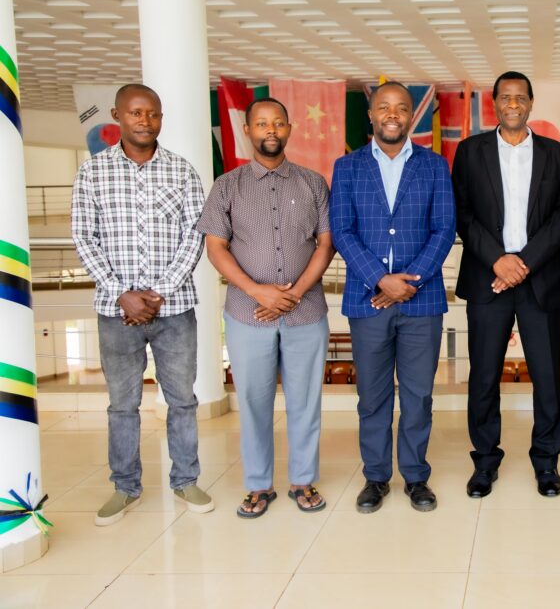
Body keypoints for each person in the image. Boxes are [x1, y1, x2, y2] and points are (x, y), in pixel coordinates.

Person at [71, 83, 214, 525]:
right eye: (135, 113)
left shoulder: (182, 171)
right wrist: (122, 293)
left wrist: (159, 292)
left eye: (152, 113)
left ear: (160, 118)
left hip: (175, 311)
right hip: (116, 313)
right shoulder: (92, 172)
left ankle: (186, 480)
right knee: (122, 405)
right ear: (117, 115)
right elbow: (84, 237)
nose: (144, 121)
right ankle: (125, 487)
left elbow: (196, 234)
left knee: (183, 401)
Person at [198, 97, 334, 518]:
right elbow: (215, 248)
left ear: (289, 129)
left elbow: (326, 244)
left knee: (305, 402)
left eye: (278, 123)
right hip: (247, 315)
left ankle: (303, 480)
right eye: (261, 123)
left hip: (306, 313)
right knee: (254, 403)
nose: (270, 130)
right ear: (248, 131)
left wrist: (293, 294)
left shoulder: (313, 183)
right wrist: (259, 292)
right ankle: (258, 485)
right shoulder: (227, 186)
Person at [330, 81, 456, 513]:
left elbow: (444, 229)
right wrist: (380, 280)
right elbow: (342, 230)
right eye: (384, 107)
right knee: (373, 397)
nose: (392, 114)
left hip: (422, 301)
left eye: (401, 107)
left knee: (419, 396)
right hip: (367, 301)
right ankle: (376, 477)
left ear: (411, 116)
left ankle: (416, 477)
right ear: (371, 114)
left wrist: (409, 281)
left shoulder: (434, 165)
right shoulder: (347, 167)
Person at [452, 71, 560, 498]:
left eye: (520, 97)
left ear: (531, 103)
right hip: (488, 279)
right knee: (484, 376)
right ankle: (485, 462)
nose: (512, 104)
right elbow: (463, 213)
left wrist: (523, 262)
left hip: (540, 280)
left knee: (547, 377)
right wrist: (498, 260)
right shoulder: (470, 152)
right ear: (494, 103)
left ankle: (546, 461)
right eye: (505, 97)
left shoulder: (556, 155)